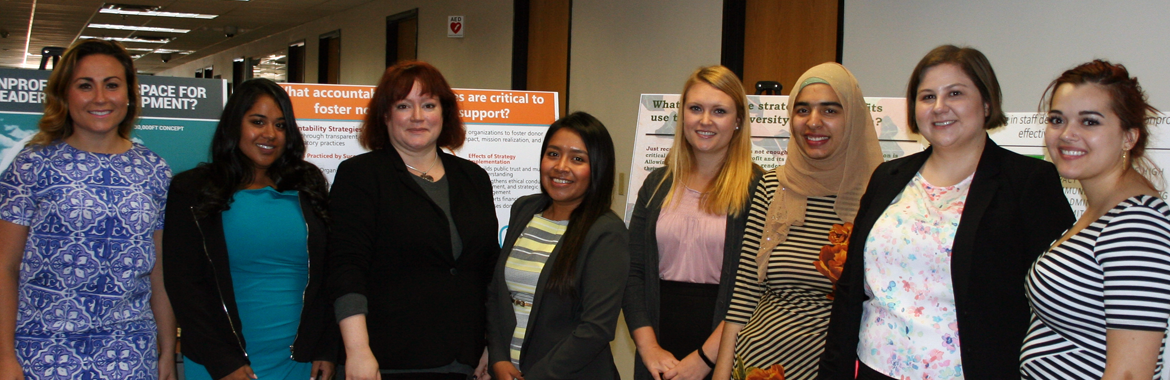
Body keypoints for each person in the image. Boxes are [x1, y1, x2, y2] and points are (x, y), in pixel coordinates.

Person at [820, 45, 1076, 380]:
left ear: (986, 102)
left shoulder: (1027, 183)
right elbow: (850, 291)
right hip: (874, 368)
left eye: (955, 93)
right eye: (927, 97)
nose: (939, 107)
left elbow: (1058, 300)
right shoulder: (887, 178)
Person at [0, 39, 176, 379]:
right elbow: (4, 268)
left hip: (129, 354)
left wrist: (166, 351)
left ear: (128, 94)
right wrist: (5, 357)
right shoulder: (32, 166)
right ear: (64, 94)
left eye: (112, 85)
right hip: (43, 353)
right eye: (85, 85)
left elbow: (160, 273)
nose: (100, 98)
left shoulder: (154, 170)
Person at [709, 63, 883, 380]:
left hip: (836, 367)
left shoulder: (879, 193)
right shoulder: (773, 186)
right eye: (802, 110)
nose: (813, 123)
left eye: (830, 110)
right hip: (757, 365)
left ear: (854, 118)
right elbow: (745, 292)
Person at [327, 60, 499, 380]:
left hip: (465, 360)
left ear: (444, 113)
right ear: (385, 115)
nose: (418, 117)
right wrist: (358, 350)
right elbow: (346, 268)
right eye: (404, 105)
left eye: (429, 104)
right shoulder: (361, 176)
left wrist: (494, 344)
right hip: (385, 361)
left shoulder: (473, 178)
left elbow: (489, 269)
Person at [163, 78, 338, 380]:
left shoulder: (308, 185)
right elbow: (185, 287)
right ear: (234, 124)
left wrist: (326, 348)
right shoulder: (193, 189)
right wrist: (223, 362)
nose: (270, 134)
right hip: (221, 363)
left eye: (281, 125)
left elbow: (328, 276)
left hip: (299, 362)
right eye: (258, 122)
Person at [1021, 60, 1170, 380]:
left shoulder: (1136, 226)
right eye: (1057, 119)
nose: (1067, 134)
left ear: (1129, 137)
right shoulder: (1099, 214)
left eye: (1089, 122)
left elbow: (1130, 373)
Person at [624, 65, 762, 380]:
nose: (705, 120)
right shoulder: (657, 184)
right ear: (682, 114)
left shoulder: (759, 188)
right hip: (658, 346)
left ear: (738, 120)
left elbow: (755, 287)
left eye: (719, 111)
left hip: (725, 346)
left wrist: (704, 360)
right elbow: (632, 272)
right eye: (695, 108)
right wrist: (648, 348)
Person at [487, 111, 629, 380]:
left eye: (577, 159)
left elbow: (596, 328)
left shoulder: (606, 232)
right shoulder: (524, 209)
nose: (561, 166)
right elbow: (497, 294)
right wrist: (498, 358)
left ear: (598, 167)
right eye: (553, 154)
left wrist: (537, 375)